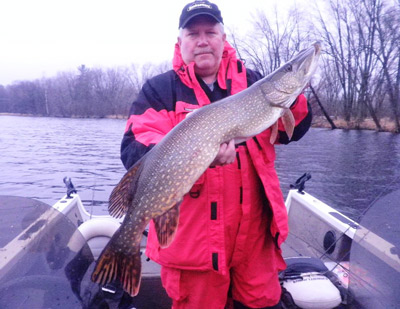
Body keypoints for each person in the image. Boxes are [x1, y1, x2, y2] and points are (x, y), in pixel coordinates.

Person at [120, 1, 312, 308]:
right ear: (180, 42)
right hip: (192, 246)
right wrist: (188, 153)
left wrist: (294, 92)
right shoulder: (159, 90)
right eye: (193, 33)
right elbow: (134, 146)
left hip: (254, 244)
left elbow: (295, 131)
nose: (202, 39)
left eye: (210, 31)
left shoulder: (253, 83)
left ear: (223, 39)